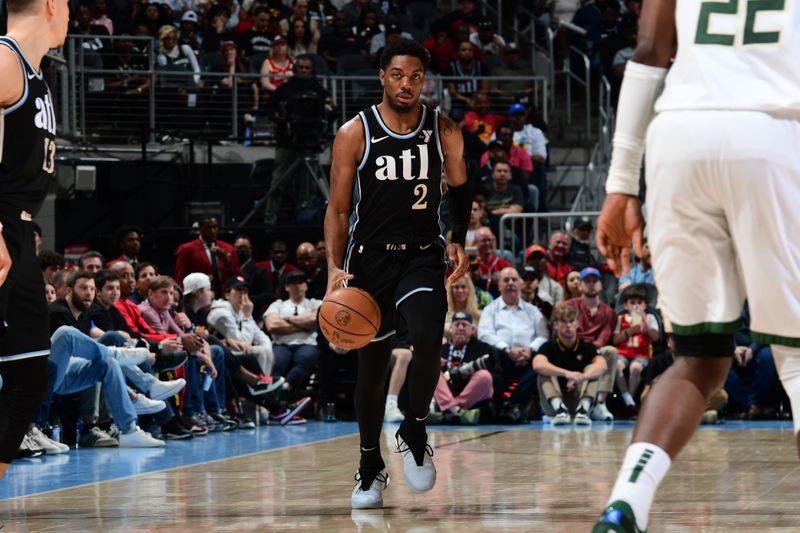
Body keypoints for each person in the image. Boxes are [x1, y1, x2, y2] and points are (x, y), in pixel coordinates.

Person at [592, 3, 800, 532]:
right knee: (798, 359)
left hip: (678, 139)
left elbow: (649, 52)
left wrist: (620, 184)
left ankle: (626, 504)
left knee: (699, 357)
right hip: (773, 130)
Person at [323, 39, 470, 509]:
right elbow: (339, 208)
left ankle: (414, 425)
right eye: (398, 75)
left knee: (428, 335)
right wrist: (333, 268)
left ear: (423, 80)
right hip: (369, 260)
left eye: (416, 76)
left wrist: (458, 237)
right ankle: (370, 465)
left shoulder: (442, 128)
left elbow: (461, 188)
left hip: (423, 254)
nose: (407, 84)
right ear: (382, 77)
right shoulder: (354, 132)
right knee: (372, 366)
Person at [0, 0, 69, 479]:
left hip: (20, 230)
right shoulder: (4, 60)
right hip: (1, 227)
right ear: (50, 3)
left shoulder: (37, 74)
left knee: (28, 375)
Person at [533, 302, 607, 426]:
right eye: (563, 321)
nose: (568, 325)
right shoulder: (548, 346)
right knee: (544, 372)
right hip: (554, 402)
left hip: (579, 397)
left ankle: (584, 409)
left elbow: (602, 366)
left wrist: (581, 377)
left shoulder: (586, 346)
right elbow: (537, 365)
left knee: (593, 369)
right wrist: (567, 374)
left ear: (577, 323)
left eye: (571, 321)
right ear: (556, 325)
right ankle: (560, 409)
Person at [175, 216, 242, 297]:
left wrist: (227, 262)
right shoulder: (187, 249)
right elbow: (180, 278)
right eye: (208, 227)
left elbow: (238, 277)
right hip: (198, 298)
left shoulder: (229, 249)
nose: (212, 231)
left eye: (215, 227)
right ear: (200, 228)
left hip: (224, 297)